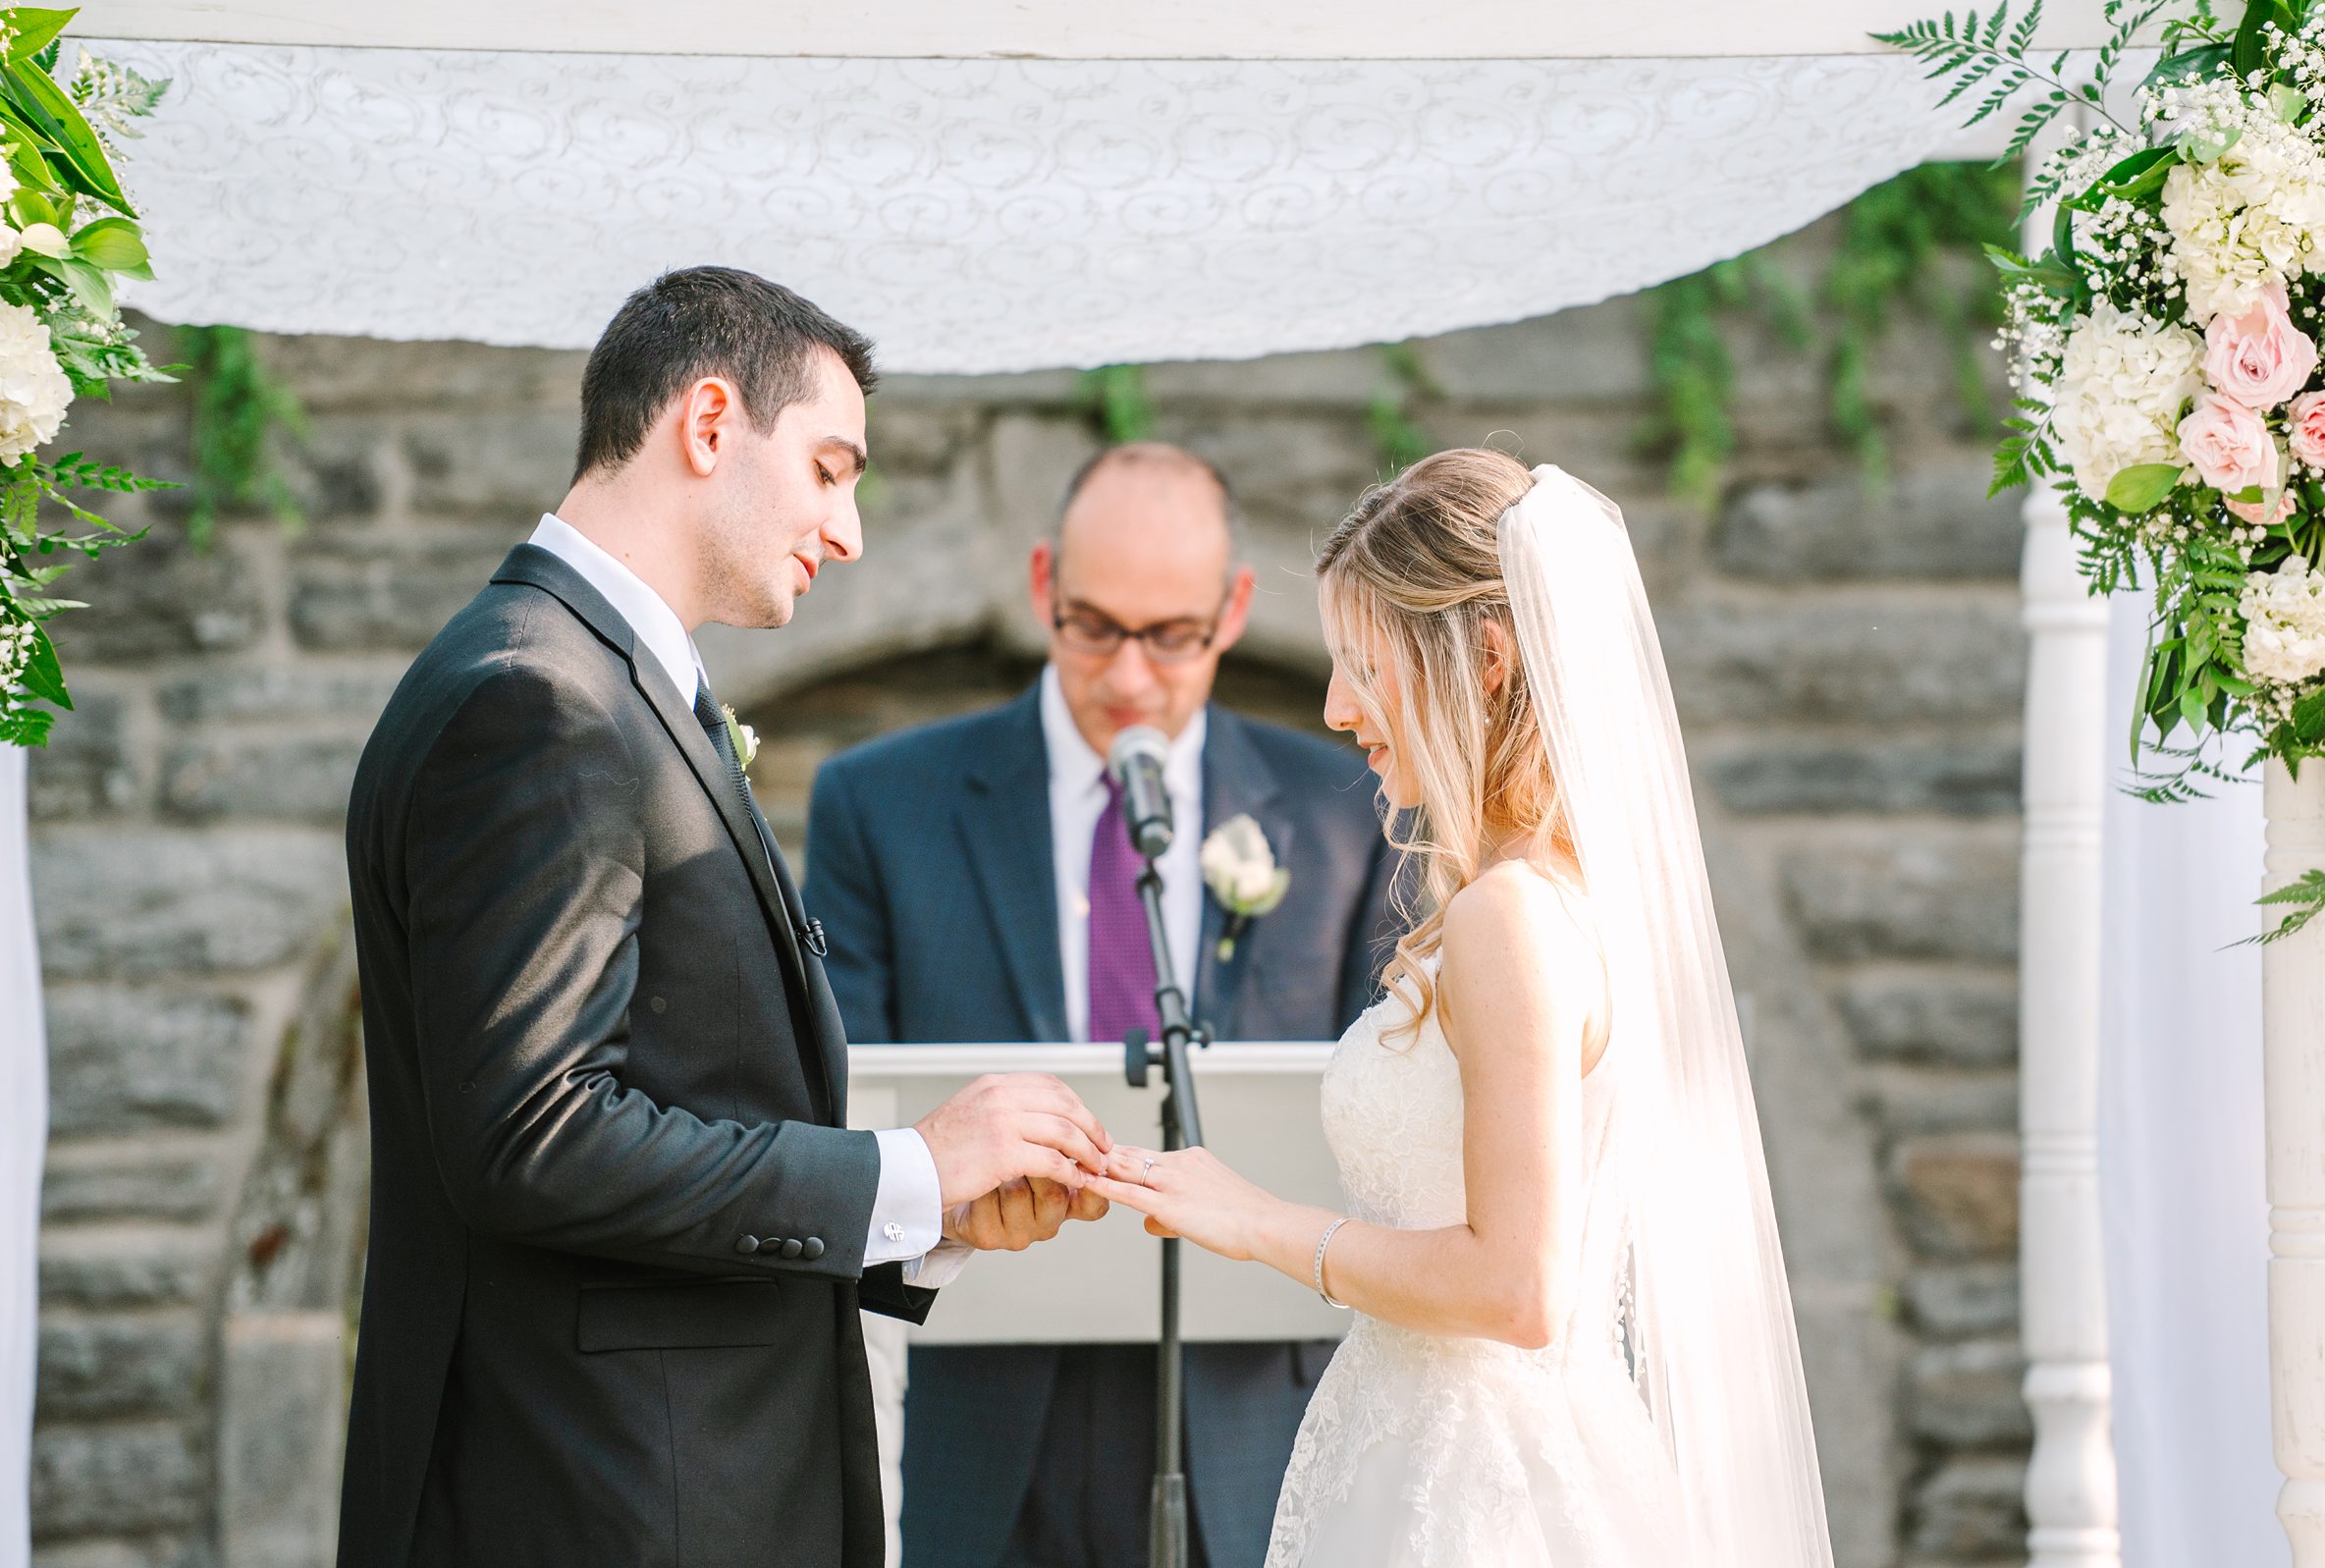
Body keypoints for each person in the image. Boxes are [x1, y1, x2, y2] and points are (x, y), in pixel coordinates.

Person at [337, 267, 1112, 1568]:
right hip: (607, 1502)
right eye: (829, 467)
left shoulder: (598, 680)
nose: (850, 527)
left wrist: (922, 1223)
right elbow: (536, 1135)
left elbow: (674, 1093)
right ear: (708, 424)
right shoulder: (541, 701)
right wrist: (902, 1169)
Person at [1085, 450, 1838, 1567]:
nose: (1338, 708)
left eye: (1366, 666)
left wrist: (1256, 1222)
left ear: (1484, 656)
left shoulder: (1510, 918)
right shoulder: (1566, 898)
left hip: (1477, 1497)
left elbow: (1519, 1285)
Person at [804, 442, 1400, 1568]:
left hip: (1251, 1407)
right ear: (1042, 588)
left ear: (1231, 610)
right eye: (1093, 626)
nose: (1129, 675)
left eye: (1170, 635)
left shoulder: (1342, 812)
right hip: (982, 1397)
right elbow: (841, 1120)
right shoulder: (881, 805)